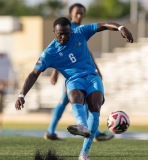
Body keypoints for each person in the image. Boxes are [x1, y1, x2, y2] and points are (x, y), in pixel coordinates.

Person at [15, 17, 133, 160]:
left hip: (91, 77)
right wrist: (22, 95)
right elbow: (34, 74)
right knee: (75, 97)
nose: (64, 37)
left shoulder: (80, 32)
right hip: (74, 80)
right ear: (54, 32)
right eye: (60, 34)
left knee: (95, 106)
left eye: (67, 33)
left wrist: (120, 28)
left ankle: (84, 153)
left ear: (71, 30)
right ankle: (81, 126)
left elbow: (103, 25)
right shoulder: (49, 53)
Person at [44, 3, 114, 141]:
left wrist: (97, 69)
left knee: (69, 101)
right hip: (73, 76)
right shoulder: (66, 28)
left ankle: (51, 131)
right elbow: (58, 53)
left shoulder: (79, 29)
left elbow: (86, 53)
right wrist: (55, 72)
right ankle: (93, 132)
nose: (79, 16)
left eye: (82, 13)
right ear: (71, 14)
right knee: (70, 101)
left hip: (83, 73)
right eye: (77, 13)